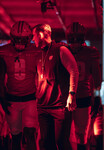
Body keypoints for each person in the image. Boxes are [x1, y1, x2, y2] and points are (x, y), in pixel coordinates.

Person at [32, 24, 79, 150]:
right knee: (45, 143)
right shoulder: (39, 54)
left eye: (34, 35)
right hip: (43, 106)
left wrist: (72, 94)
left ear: (41, 34)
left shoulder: (60, 49)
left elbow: (74, 70)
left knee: (61, 142)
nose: (33, 38)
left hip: (59, 106)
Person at [0, 21, 39, 150]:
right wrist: (2, 99)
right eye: (17, 38)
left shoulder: (36, 51)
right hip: (12, 99)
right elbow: (0, 78)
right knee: (15, 136)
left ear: (29, 38)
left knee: (30, 134)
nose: (20, 41)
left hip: (30, 98)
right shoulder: (4, 52)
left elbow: (43, 75)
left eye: (22, 39)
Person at [63, 22, 102, 150]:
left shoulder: (90, 53)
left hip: (83, 97)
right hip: (66, 98)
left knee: (81, 135)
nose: (74, 42)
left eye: (77, 38)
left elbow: (97, 78)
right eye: (72, 38)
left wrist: (96, 97)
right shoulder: (63, 51)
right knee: (65, 136)